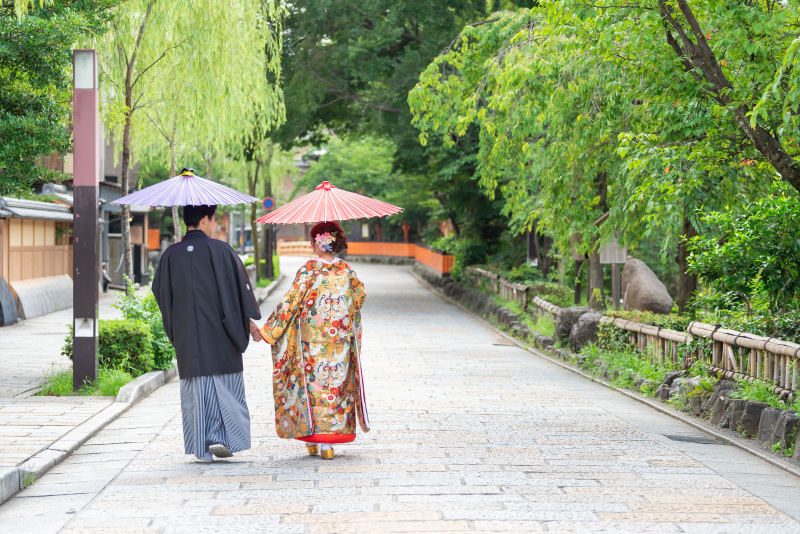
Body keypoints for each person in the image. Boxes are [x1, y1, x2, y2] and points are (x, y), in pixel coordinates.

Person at [251, 221, 369, 460]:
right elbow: (358, 299)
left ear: (317, 242)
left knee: (313, 389)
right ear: (333, 242)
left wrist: (268, 331)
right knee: (335, 389)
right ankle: (327, 445)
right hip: (339, 344)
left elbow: (290, 302)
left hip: (311, 344)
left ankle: (314, 441)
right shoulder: (347, 271)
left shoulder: (309, 270)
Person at [152, 203, 261, 462]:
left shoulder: (170, 255)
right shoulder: (221, 250)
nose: (214, 225)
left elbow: (161, 294)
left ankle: (203, 445)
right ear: (205, 219)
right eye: (213, 220)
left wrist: (176, 327)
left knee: (195, 391)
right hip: (222, 335)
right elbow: (238, 291)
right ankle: (224, 438)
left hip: (188, 337)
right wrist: (247, 323)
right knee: (225, 386)